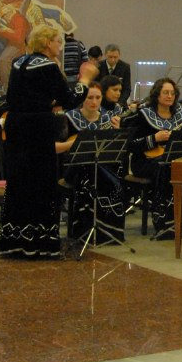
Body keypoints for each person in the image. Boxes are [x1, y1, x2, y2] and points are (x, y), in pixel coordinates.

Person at [0, 23, 86, 259]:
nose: (60, 47)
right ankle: (40, 242)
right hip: (38, 127)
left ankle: (15, 239)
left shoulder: (19, 62)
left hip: (17, 126)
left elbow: (18, 96)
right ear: (47, 43)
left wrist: (46, 101)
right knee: (42, 181)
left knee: (19, 181)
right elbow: (69, 100)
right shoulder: (48, 66)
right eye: (58, 42)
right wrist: (85, 82)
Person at [126, 77, 182, 240]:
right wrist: (154, 138)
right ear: (157, 95)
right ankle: (164, 221)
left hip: (169, 160)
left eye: (172, 93)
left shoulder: (179, 114)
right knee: (166, 166)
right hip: (144, 161)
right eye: (165, 92)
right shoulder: (144, 115)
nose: (169, 96)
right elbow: (131, 145)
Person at [60, 83, 127, 245]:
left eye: (98, 97)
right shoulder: (68, 118)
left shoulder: (107, 118)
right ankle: (83, 229)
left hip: (102, 167)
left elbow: (116, 152)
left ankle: (108, 231)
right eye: (90, 97)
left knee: (111, 178)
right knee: (92, 173)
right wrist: (73, 144)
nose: (94, 101)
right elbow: (54, 147)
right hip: (74, 168)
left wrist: (117, 132)